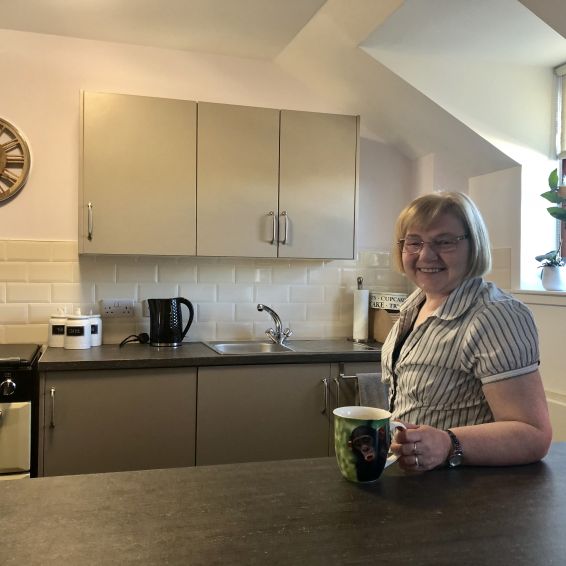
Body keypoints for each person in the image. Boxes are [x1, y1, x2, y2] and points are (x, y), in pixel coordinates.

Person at [383, 192, 552, 472]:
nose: (425, 254)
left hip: (463, 496)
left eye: (445, 242)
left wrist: (449, 443)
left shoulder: (496, 316)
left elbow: (533, 434)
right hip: (416, 488)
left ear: (474, 246)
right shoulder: (416, 304)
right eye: (414, 242)